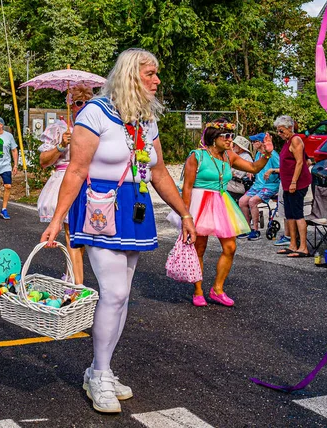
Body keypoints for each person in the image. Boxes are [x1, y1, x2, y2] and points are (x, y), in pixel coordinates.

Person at [39, 48, 196, 414]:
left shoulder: (146, 119)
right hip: (99, 208)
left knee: (122, 295)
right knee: (113, 291)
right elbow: (75, 171)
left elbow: (158, 173)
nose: (157, 80)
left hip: (135, 212)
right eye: (150, 73)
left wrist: (184, 213)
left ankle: (99, 369)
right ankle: (100, 374)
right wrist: (56, 220)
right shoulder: (94, 112)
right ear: (130, 74)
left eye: (157, 74)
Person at [180, 119, 274, 307]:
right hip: (199, 203)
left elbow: (254, 168)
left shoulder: (229, 156)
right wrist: (186, 216)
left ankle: (217, 289)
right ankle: (198, 291)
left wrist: (266, 154)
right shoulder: (197, 156)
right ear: (214, 138)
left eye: (232, 136)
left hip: (222, 202)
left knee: (230, 247)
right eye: (227, 136)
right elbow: (187, 187)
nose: (231, 140)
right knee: (199, 248)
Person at [37, 84, 93, 286]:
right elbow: (43, 161)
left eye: (88, 103)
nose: (83, 106)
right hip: (66, 181)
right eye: (79, 103)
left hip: (90, 182)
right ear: (70, 104)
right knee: (71, 232)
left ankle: (71, 273)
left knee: (84, 233)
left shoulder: (96, 128)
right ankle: (76, 283)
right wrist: (61, 145)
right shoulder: (59, 128)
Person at [274, 115, 312, 257]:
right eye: (278, 131)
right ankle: (292, 245)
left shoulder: (295, 140)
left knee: (297, 214)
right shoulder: (288, 141)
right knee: (289, 214)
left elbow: (300, 162)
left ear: (289, 128)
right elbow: (307, 160)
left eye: (281, 130)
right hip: (287, 183)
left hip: (296, 183)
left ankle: (303, 247)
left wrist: (294, 182)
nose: (279, 134)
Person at [237, 133, 280, 241]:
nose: (252, 144)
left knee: (252, 201)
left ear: (261, 142)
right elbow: (256, 167)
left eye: (255, 141)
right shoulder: (258, 154)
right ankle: (247, 228)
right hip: (258, 185)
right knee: (242, 201)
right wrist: (251, 172)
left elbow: (283, 169)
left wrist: (272, 170)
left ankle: (255, 230)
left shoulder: (272, 154)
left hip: (271, 185)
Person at [226, 136, 253, 202]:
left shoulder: (246, 157)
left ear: (240, 148)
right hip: (231, 182)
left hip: (238, 185)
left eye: (235, 145)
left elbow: (236, 174)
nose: (233, 146)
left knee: (217, 189)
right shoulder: (235, 154)